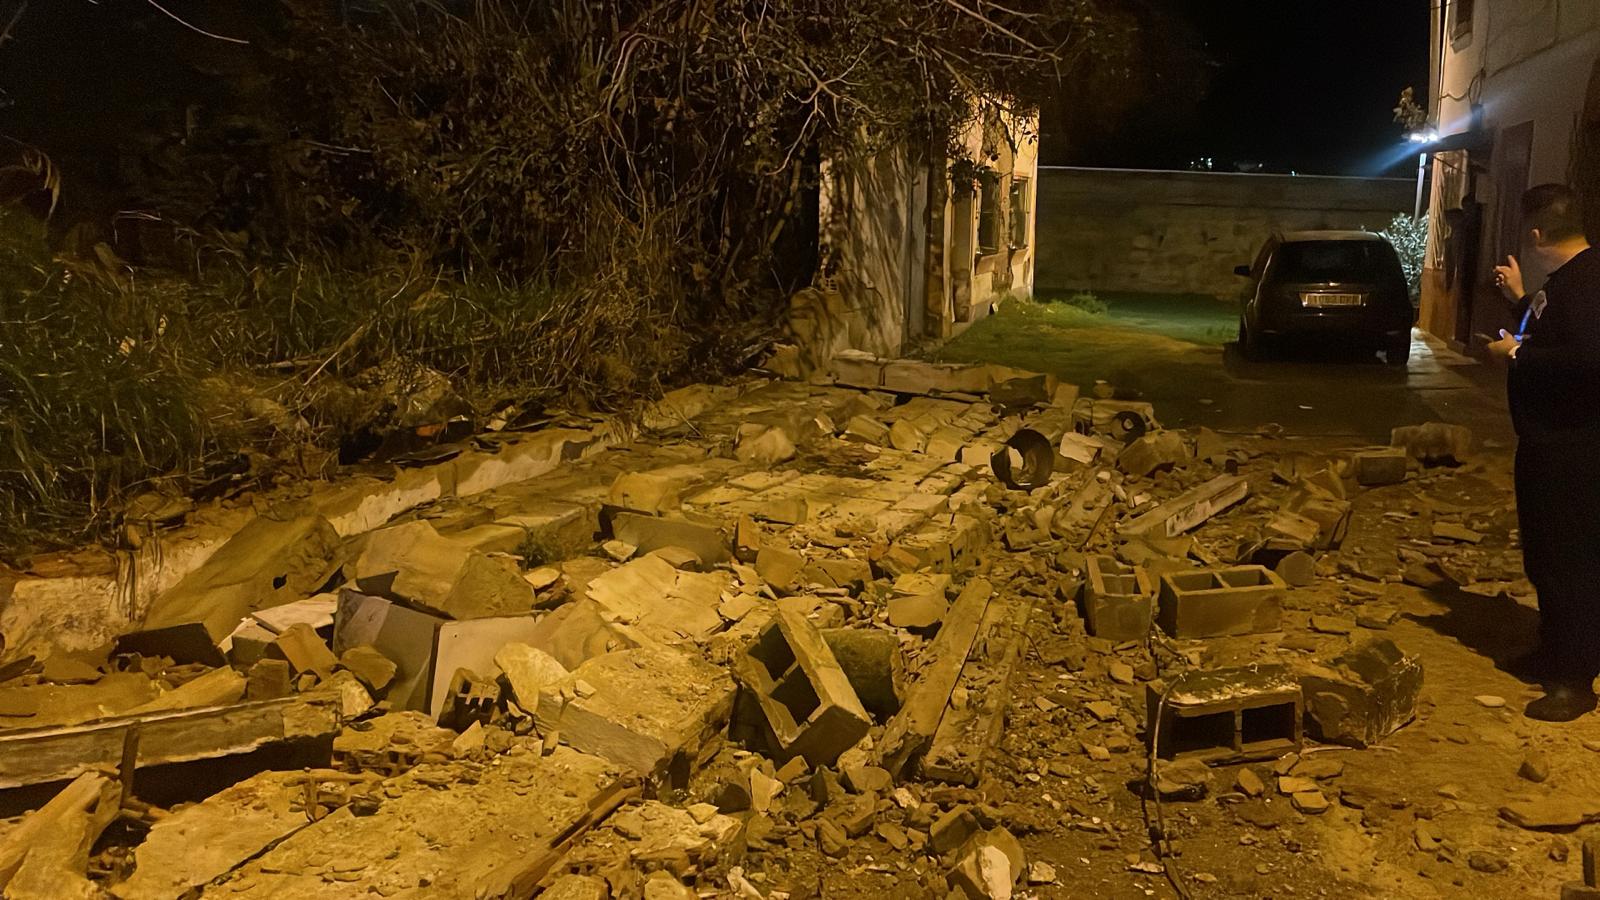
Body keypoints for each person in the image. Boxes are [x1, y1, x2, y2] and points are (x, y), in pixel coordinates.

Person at [1487, 184, 1600, 721]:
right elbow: (1560, 328)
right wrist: (1519, 299)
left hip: (1572, 452)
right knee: (1546, 557)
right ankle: (1553, 652)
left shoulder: (1586, 284)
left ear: (1536, 234)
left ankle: (1574, 680)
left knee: (1568, 562)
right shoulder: (1572, 281)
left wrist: (1517, 354)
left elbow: (1585, 358)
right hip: (1551, 444)